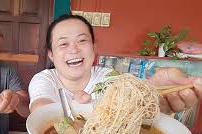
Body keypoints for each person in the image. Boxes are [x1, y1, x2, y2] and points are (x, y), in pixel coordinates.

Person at [28, 14, 202, 113]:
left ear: (94, 48)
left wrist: (149, 92)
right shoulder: (44, 79)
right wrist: (78, 109)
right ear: (51, 54)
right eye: (63, 43)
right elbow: (41, 111)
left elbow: (130, 95)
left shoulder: (107, 76)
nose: (74, 49)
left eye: (82, 41)